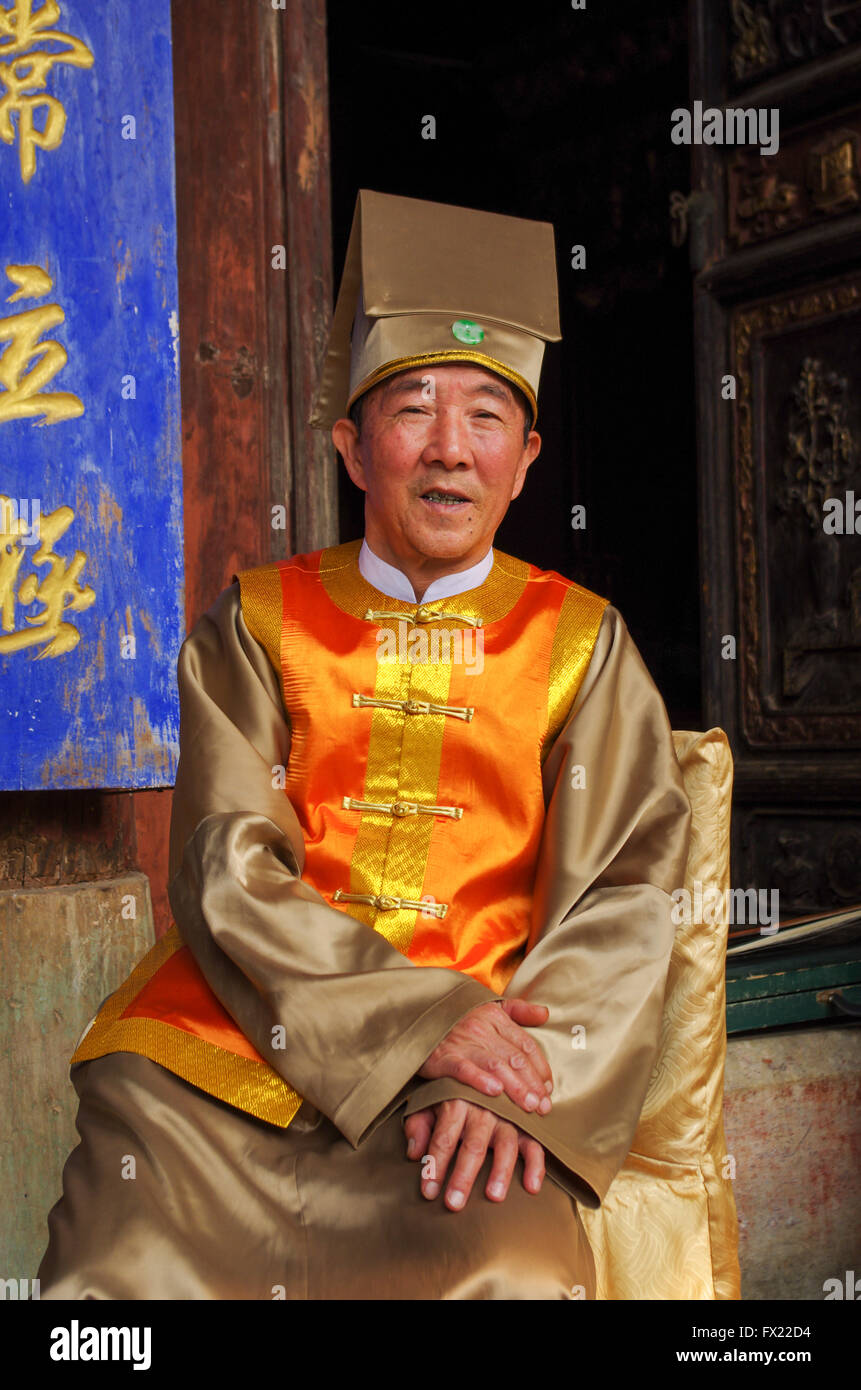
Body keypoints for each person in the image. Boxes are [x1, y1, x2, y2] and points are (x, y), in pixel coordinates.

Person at [38, 190, 690, 1300]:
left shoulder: (584, 645)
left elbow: (630, 894)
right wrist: (410, 1017)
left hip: (468, 1088)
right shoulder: (257, 621)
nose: (449, 450)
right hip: (230, 1062)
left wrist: (513, 1078)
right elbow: (222, 864)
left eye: (487, 416)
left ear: (526, 459)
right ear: (351, 445)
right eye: (413, 409)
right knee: (114, 1260)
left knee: (512, 1271)